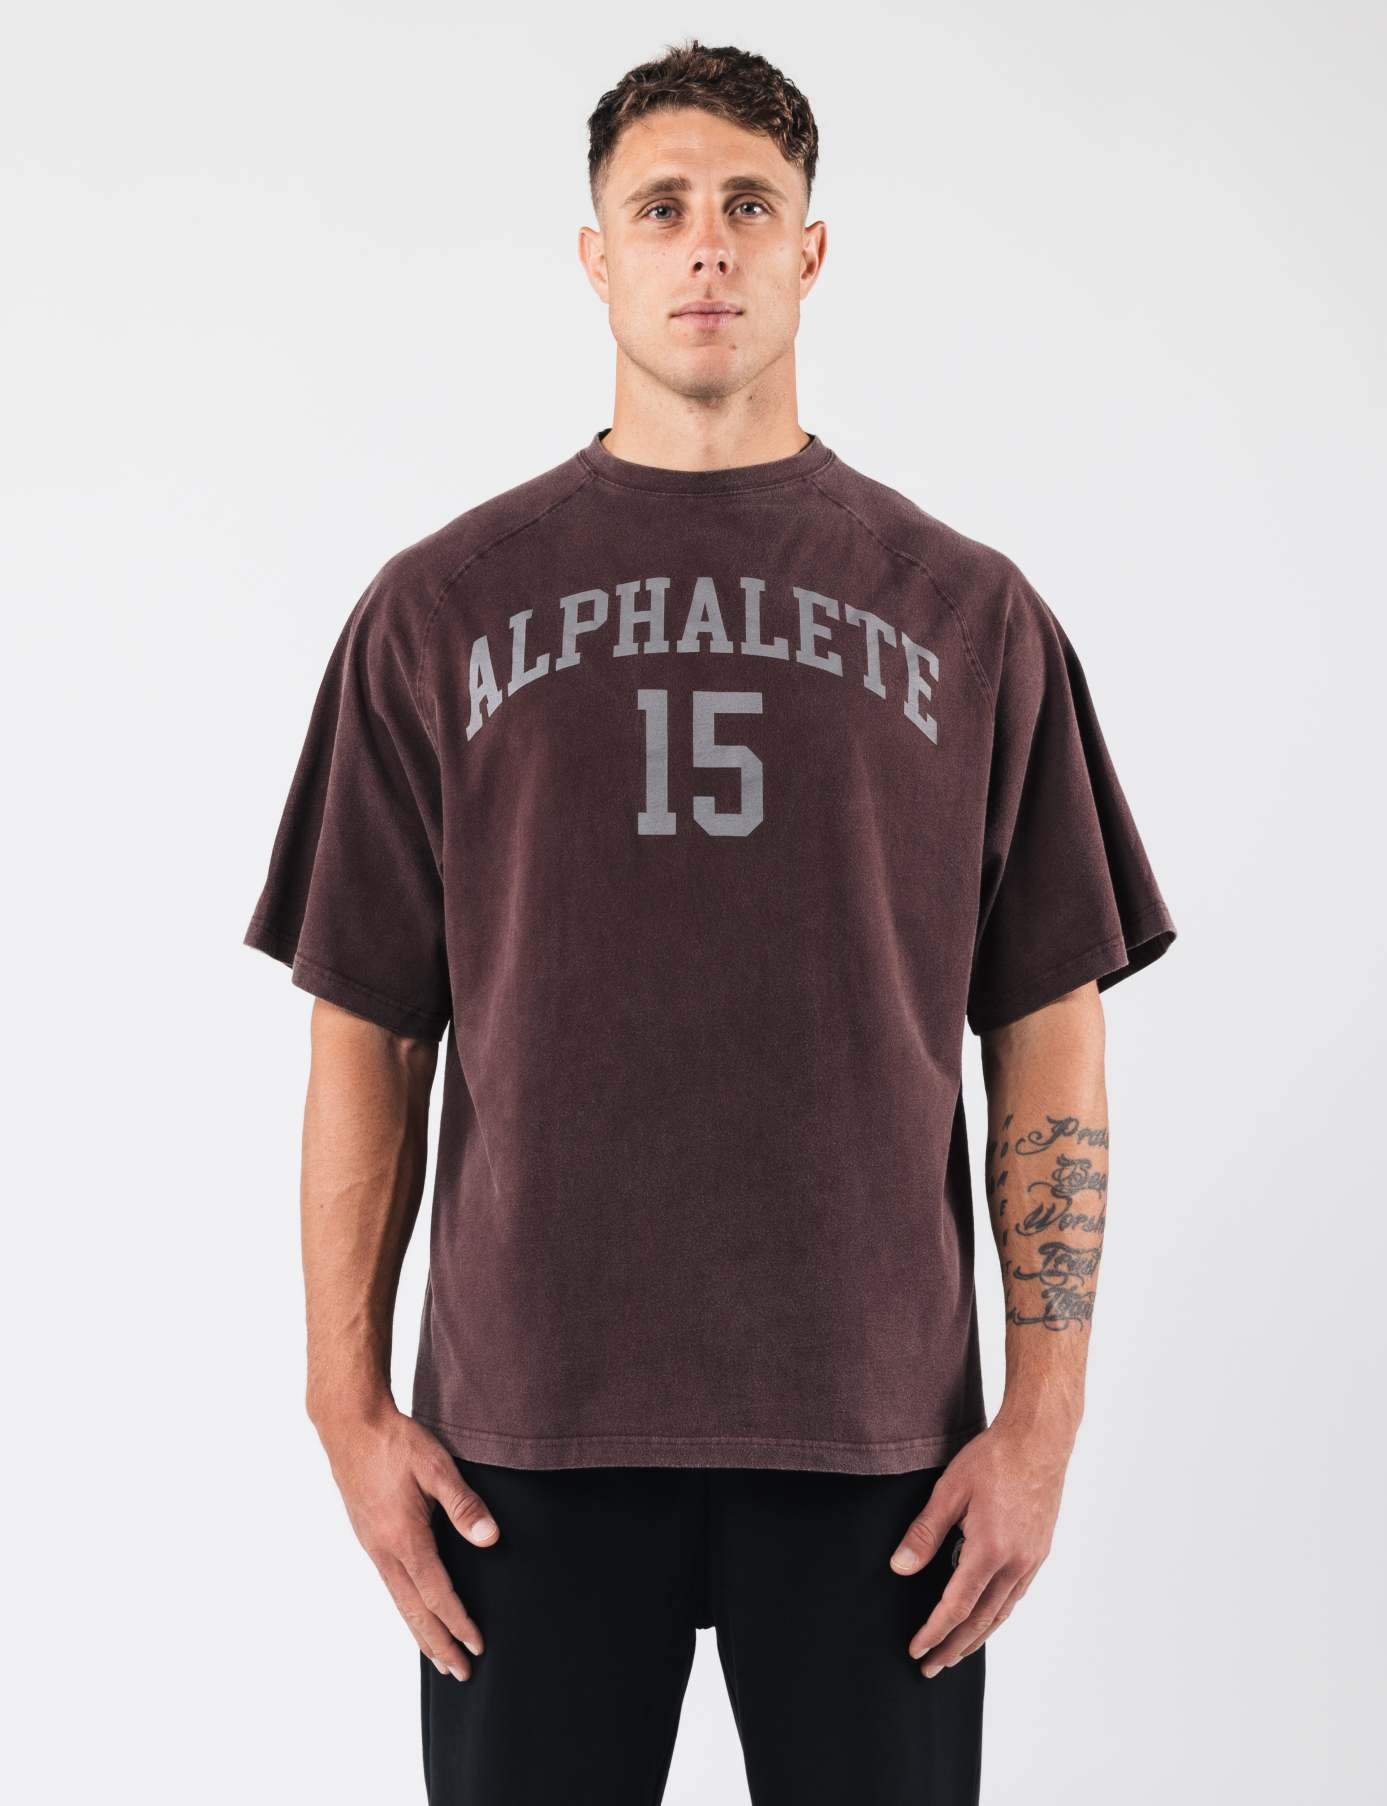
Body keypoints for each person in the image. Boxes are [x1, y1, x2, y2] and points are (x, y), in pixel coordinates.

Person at [241, 37, 1178, 1806]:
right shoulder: (436, 611)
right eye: (660, 207)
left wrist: (1042, 1417)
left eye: (749, 206)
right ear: (593, 254)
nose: (706, 245)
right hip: (519, 1434)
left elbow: (1047, 1019)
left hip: (876, 1437)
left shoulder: (969, 615)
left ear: (809, 252)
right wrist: (342, 1404)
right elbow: (365, 1022)